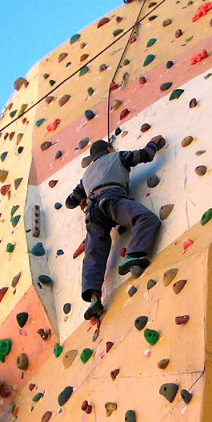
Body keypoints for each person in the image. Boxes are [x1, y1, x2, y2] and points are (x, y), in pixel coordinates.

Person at [65, 136, 164, 320]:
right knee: (145, 219)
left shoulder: (85, 176)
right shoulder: (118, 156)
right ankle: (133, 254)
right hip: (112, 198)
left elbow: (69, 201)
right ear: (109, 149)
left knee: (94, 253)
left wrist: (82, 198)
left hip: (92, 211)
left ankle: (94, 298)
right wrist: (154, 142)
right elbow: (145, 155)